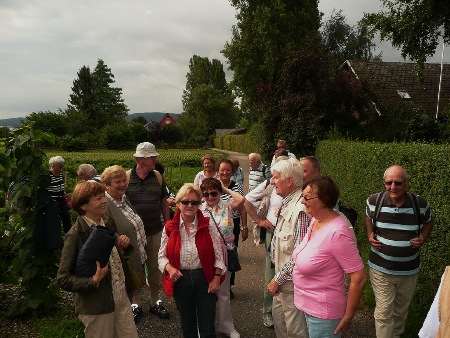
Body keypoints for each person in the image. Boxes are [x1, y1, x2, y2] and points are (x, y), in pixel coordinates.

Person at [57, 181, 138, 338]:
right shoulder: (75, 235)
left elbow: (115, 257)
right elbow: (63, 278)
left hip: (121, 297)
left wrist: (124, 246)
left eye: (103, 197)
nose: (105, 201)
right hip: (97, 306)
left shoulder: (106, 222)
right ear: (83, 206)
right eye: (98, 199)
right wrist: (92, 281)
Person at [293, 176, 367, 338]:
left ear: (324, 200)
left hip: (324, 314)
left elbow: (359, 278)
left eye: (307, 198)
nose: (302, 202)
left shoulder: (338, 232)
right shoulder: (317, 220)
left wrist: (348, 317)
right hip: (309, 306)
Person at [365, 165, 434, 338]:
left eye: (398, 183)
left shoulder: (420, 204)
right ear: (384, 182)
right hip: (380, 268)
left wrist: (423, 237)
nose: (393, 187)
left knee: (400, 313)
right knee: (383, 313)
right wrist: (369, 234)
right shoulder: (374, 201)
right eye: (389, 183)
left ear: (407, 183)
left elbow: (429, 221)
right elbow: (368, 217)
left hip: (409, 270)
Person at [158, 183, 226, 338]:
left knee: (207, 327)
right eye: (185, 202)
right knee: (187, 326)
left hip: (204, 279)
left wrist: (216, 278)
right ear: (178, 203)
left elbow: (219, 256)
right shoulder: (169, 227)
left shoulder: (208, 225)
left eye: (195, 202)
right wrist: (170, 269)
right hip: (181, 281)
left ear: (199, 204)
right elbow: (161, 257)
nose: (190, 205)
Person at [125, 142, 171, 319]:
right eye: (152, 157)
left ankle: (154, 302)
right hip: (133, 234)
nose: (155, 159)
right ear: (140, 159)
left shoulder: (158, 176)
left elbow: (164, 202)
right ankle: (135, 304)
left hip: (155, 231)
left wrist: (167, 225)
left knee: (155, 267)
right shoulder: (127, 177)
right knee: (136, 268)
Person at [266, 158, 309, 338]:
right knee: (281, 326)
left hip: (291, 284)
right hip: (281, 279)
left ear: (289, 180)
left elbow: (300, 254)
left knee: (295, 331)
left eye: (275, 177)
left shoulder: (301, 209)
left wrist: (278, 279)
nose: (272, 181)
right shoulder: (286, 201)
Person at [244, 155, 286, 329]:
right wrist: (259, 221)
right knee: (272, 273)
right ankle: (268, 311)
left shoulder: (299, 186)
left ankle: (284, 311)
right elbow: (247, 200)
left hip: (291, 236)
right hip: (272, 233)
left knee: (289, 275)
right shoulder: (269, 183)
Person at [101, 165, 147, 323]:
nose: (122, 184)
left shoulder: (124, 199)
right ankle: (121, 322)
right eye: (117, 182)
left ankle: (128, 314)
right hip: (122, 258)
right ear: (107, 184)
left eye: (123, 181)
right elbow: (105, 232)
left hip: (134, 252)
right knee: (123, 291)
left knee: (131, 287)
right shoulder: (106, 205)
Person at [200, 178, 244, 338]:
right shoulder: (199, 209)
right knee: (205, 294)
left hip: (225, 253)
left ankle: (226, 327)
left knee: (224, 293)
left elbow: (241, 199)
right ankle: (205, 328)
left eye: (214, 193)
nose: (210, 197)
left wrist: (226, 189)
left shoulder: (227, 206)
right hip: (205, 256)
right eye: (206, 194)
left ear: (219, 193)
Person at [218, 159, 248, 297]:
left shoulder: (237, 186)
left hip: (232, 224)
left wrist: (244, 226)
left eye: (228, 170)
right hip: (216, 224)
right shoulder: (213, 185)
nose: (225, 172)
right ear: (218, 171)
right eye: (222, 170)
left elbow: (242, 207)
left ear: (233, 172)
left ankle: (228, 285)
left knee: (230, 254)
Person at [48, 156, 71, 233]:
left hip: (61, 200)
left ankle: (68, 236)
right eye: (60, 165)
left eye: (62, 165)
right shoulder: (48, 176)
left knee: (67, 219)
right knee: (55, 221)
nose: (61, 167)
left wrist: (64, 193)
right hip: (53, 201)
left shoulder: (60, 174)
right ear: (53, 166)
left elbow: (60, 186)